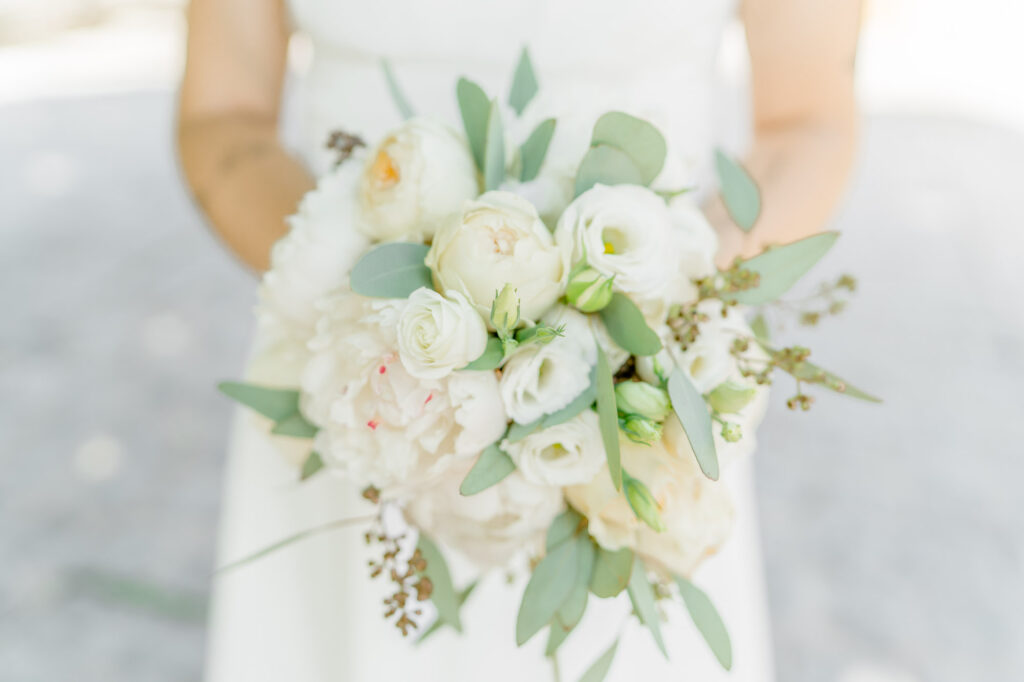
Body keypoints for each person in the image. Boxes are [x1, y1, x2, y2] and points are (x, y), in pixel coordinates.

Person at [178, 1, 862, 680]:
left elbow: (804, 126)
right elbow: (223, 117)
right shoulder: (364, 355)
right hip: (365, 388)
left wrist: (656, 317)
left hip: (635, 404)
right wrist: (375, 312)